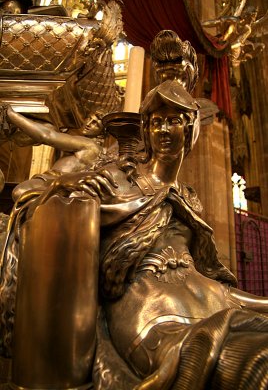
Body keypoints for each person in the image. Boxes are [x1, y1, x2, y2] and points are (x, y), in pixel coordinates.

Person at [2, 78, 268, 390]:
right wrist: (66, 186)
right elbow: (26, 192)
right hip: (153, 323)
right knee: (257, 364)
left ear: (191, 129)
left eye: (174, 121)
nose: (164, 131)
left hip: (211, 305)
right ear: (145, 130)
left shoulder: (188, 196)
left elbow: (206, 282)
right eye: (156, 122)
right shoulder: (116, 179)